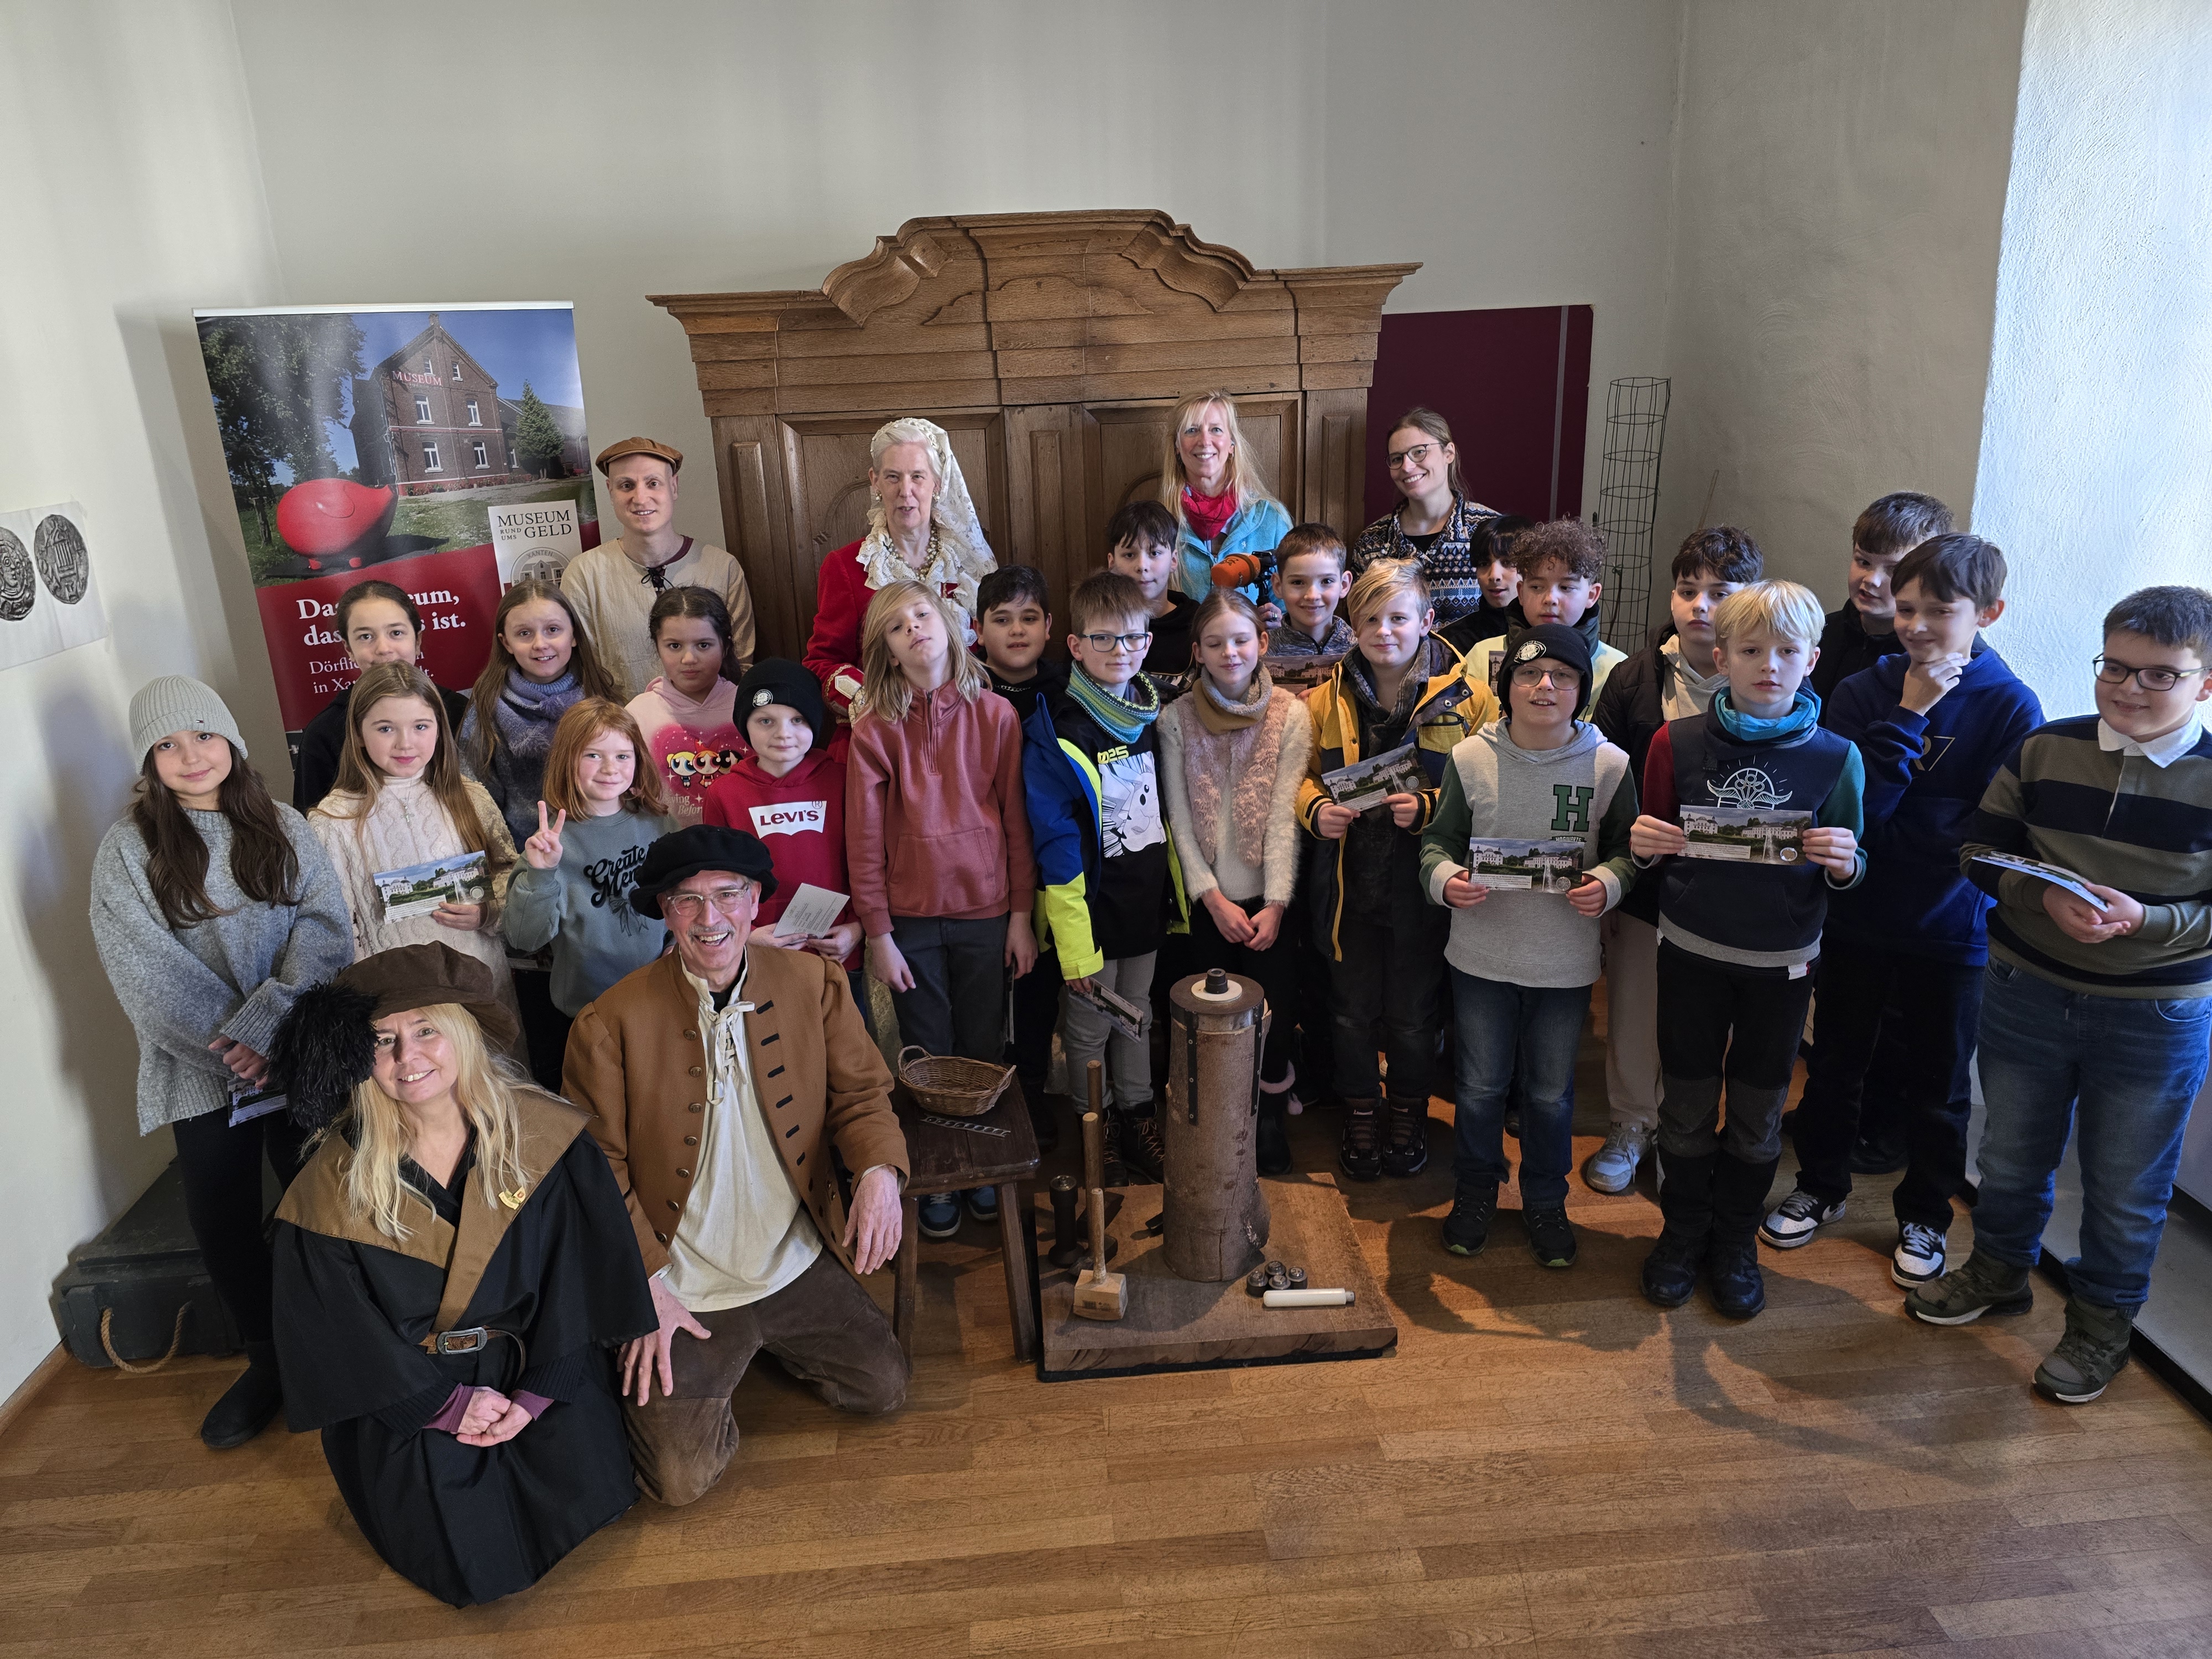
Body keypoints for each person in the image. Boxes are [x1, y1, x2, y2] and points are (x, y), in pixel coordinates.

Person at [267, 943, 656, 1607]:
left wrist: (538, 1391)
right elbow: (340, 1333)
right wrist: (445, 1407)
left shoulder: (544, 1139)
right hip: (415, 1395)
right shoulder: (328, 1192)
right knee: (475, 1564)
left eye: (426, 1030)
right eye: (382, 1040)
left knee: (582, 1491)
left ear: (463, 1033)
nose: (406, 1058)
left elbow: (575, 1279)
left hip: (538, 1365)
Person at [1908, 585, 2212, 1406]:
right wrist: (2039, 898)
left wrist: (2147, 919)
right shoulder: (2045, 748)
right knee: (2010, 1152)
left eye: (2161, 676)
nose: (2130, 688)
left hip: (2155, 1016)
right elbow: (1980, 854)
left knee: (2125, 1185)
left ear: (2205, 684)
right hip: (2027, 989)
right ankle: (2000, 1270)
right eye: (2116, 666)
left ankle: (2101, 1325)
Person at [562, 825, 911, 1506]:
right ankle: (702, 1359)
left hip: (793, 1256)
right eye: (686, 901)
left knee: (884, 1389)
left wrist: (877, 1175)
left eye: (728, 895)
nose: (709, 918)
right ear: (664, 912)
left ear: (756, 901)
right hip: (682, 1281)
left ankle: (758, 1348)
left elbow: (863, 1094)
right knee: (678, 1481)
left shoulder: (814, 981)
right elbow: (595, 1167)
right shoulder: (608, 1023)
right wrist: (646, 1287)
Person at [1761, 535, 2042, 1285]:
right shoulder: (1866, 690)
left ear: (1989, 613)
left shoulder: (2012, 704)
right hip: (1858, 919)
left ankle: (1926, 1214)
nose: (1916, 626)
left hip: (1954, 934)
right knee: (1835, 1067)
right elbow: (1851, 816)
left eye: (1939, 611)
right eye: (1908, 608)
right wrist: (1913, 714)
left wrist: (1904, 823)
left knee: (1941, 1085)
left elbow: (1991, 836)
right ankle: (1819, 1188)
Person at [91, 676, 353, 1448]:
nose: (190, 756)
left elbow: (324, 922)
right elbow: (145, 971)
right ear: (149, 761)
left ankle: (338, 1349)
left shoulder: (280, 824)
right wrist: (234, 1043)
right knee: (223, 1221)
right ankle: (268, 1362)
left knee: (320, 1208)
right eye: (167, 745)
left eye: (203, 736)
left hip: (295, 1051)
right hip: (199, 1067)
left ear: (232, 742)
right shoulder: (127, 850)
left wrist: (273, 1026)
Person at [1628, 581, 1865, 1320]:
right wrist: (1641, 845)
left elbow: (1855, 862)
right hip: (1693, 952)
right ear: (1720, 657)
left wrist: (1845, 859)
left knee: (1761, 1111)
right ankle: (1682, 1233)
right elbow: (1652, 839)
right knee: (1689, 1101)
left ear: (1812, 662)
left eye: (1787, 652)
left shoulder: (1837, 757)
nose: (1769, 666)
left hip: (1782, 966)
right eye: (1752, 651)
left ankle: (1733, 1241)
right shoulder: (1678, 742)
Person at [1421, 625, 1636, 1266]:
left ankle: (1546, 1199)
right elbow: (1438, 841)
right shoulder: (1469, 759)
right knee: (1481, 1088)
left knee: (1548, 1094)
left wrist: (1608, 884)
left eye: (1562, 677)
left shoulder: (1608, 765)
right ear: (1505, 687)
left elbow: (1627, 850)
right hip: (1480, 958)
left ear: (1582, 691)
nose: (1545, 687)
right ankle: (1476, 1190)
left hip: (1564, 964)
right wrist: (1444, 880)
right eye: (1528, 675)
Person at [846, 581, 1037, 1235]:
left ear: (952, 627)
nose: (914, 630)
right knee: (927, 1050)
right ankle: (939, 1178)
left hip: (987, 912)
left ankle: (982, 1163)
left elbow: (1016, 822)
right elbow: (863, 840)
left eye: (922, 615)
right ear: (889, 652)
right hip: (910, 923)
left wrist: (1019, 916)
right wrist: (878, 933)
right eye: (897, 627)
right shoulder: (874, 731)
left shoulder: (996, 717)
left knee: (984, 1044)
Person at [1297, 560, 1498, 1180]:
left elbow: (1491, 785)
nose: (1384, 631)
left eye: (1398, 618)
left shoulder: (1470, 697)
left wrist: (1434, 808)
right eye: (1370, 619)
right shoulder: (1322, 700)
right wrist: (1316, 811)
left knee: (1414, 1015)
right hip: (1347, 886)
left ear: (1426, 621)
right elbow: (1298, 778)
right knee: (1349, 1011)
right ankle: (1361, 1108)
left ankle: (1407, 1108)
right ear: (1350, 624)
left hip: (1421, 891)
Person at [1585, 526, 1762, 1194]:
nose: (1701, 607)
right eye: (1689, 591)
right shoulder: (1633, 678)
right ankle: (1630, 1123)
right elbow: (1600, 781)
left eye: (1721, 593)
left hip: (1728, 892)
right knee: (1634, 1006)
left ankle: (1684, 1129)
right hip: (1645, 884)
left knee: (1705, 1020)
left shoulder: (1763, 677)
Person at [1024, 572, 1186, 1186]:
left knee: (1137, 1013)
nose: (1122, 652)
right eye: (1106, 640)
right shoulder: (1061, 731)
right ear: (1074, 646)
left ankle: (1140, 1114)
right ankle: (1099, 1130)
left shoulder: (1150, 712)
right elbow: (1058, 847)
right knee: (1090, 1026)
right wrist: (1074, 945)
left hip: (1145, 903)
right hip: (1090, 915)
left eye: (1134, 639)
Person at [1159, 589, 1313, 1174]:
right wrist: (1211, 897)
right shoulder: (1175, 719)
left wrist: (1274, 903)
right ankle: (1211, 1123)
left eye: (1241, 639)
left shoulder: (1289, 716)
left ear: (1262, 644)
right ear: (1196, 651)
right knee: (1206, 1018)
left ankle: (1269, 1119)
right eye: (1216, 643)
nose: (1230, 652)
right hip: (1206, 902)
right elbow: (1177, 815)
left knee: (1274, 1015)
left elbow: (1281, 816)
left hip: (1268, 896)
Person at [308, 661, 521, 1030]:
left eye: (421, 726)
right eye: (386, 728)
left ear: (439, 729)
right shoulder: (334, 821)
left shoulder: (469, 797)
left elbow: (512, 873)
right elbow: (338, 928)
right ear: (358, 733)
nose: (406, 743)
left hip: (483, 987)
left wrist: (489, 911)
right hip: (394, 1004)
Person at [501, 699, 675, 1089]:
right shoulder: (550, 843)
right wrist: (541, 874)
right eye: (593, 755)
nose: (611, 768)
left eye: (622, 755)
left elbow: (683, 893)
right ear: (567, 760)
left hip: (664, 999)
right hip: (588, 1015)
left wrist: (677, 942)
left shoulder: (658, 821)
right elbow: (524, 937)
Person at [702, 660, 867, 1021]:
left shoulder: (842, 779)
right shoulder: (724, 794)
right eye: (766, 720)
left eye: (797, 720)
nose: (783, 733)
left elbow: (868, 862)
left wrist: (858, 929)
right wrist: (747, 937)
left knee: (851, 1060)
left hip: (837, 953)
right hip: (764, 957)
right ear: (744, 725)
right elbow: (717, 884)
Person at [806, 417, 996, 720]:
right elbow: (822, 662)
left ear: (937, 483)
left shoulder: (968, 563)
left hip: (964, 721)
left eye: (917, 476)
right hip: (884, 727)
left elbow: (990, 652)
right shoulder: (847, 566)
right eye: (893, 477)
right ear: (875, 481)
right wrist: (876, 702)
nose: (906, 491)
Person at [972, 565, 1066, 1145]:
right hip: (983, 864)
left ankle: (1032, 1087)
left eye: (1029, 618)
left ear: (1050, 627)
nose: (1016, 631)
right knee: (986, 987)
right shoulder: (963, 690)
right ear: (978, 630)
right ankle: (985, 1092)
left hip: (1053, 861)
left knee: (1039, 983)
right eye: (1001, 620)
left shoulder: (1067, 689)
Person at [560, 437, 756, 702]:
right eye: (626, 485)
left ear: (673, 487)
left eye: (653, 483)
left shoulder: (722, 568)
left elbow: (740, 666)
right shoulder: (584, 575)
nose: (641, 498)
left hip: (711, 735)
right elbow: (582, 675)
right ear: (610, 491)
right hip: (623, 735)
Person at [462, 579, 624, 851]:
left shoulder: (607, 699)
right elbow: (478, 800)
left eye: (553, 630)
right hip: (525, 853)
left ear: (573, 635)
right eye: (524, 634)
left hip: (606, 848)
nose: (540, 644)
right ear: (506, 643)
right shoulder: (485, 709)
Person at [291, 580, 469, 814]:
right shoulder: (323, 734)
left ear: (418, 641)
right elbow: (313, 830)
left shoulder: (461, 712)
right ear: (348, 649)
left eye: (396, 633)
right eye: (366, 637)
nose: (383, 649)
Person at [1349, 407, 1503, 627]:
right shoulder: (1372, 542)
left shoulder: (1489, 530)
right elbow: (1359, 623)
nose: (1407, 466)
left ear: (1448, 453)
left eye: (1419, 452)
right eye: (1397, 458)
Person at [1458, 517, 1627, 701]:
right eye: (1537, 587)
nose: (1550, 599)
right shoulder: (1481, 657)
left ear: (1592, 595)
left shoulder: (1618, 669)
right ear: (1521, 593)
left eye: (1566, 588)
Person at [1809, 491, 1953, 704]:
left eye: (1894, 569)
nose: (1872, 580)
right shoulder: (1819, 631)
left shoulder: (1931, 658)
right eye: (1864, 562)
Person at [1159, 389, 1293, 608]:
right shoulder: (1161, 525)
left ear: (1232, 444)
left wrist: (1271, 622)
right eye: (1192, 430)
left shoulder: (1271, 518)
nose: (1204, 440)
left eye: (1216, 430)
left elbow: (1289, 608)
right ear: (1176, 446)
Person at [627, 585, 744, 826]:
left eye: (703, 645)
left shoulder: (747, 706)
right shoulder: (637, 715)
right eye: (674, 646)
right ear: (657, 647)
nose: (689, 659)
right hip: (668, 850)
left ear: (725, 646)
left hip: (741, 847)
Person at [1106, 498, 1197, 690]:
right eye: (1130, 555)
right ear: (1112, 562)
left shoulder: (1199, 623)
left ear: (1173, 561)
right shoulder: (1097, 622)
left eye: (1154, 553)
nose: (1142, 566)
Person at [1434, 515, 1535, 658]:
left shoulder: (1551, 636)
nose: (1494, 576)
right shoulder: (1450, 643)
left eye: (1508, 563)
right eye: (1483, 564)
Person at [1270, 524, 1356, 658]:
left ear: (1344, 585)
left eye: (1326, 581)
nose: (1312, 596)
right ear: (1278, 586)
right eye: (1298, 582)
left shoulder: (1361, 651)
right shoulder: (1261, 651)